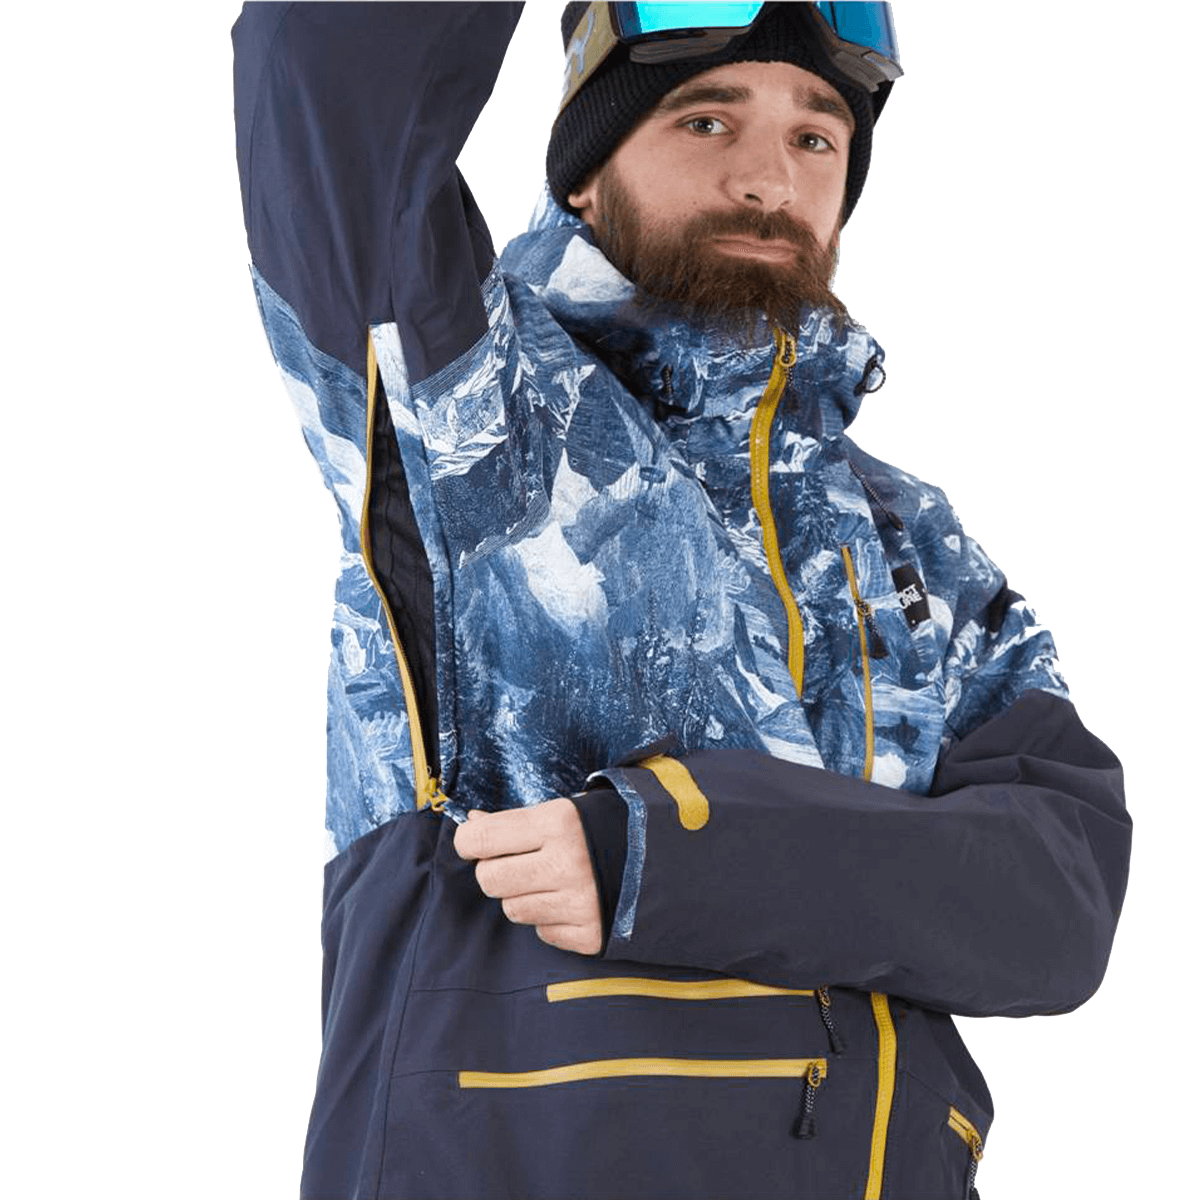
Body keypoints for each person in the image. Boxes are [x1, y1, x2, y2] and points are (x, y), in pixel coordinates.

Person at [232, 4, 1131, 1197]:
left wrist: (663, 853)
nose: (768, 179)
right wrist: (887, 877)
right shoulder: (465, 402)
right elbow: (326, 78)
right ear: (585, 174)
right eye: (707, 120)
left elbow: (1058, 900)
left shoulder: (911, 541)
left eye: (816, 138)